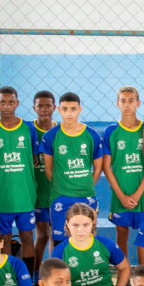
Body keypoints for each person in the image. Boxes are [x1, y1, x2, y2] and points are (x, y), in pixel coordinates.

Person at [0, 87, 39, 273]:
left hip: (24, 195)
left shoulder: (29, 128)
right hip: (1, 196)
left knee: (27, 237)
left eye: (11, 102)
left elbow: (34, 159)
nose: (7, 106)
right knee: (3, 239)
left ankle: (29, 277)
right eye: (2, 102)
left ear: (17, 103)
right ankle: (8, 277)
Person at [50, 203, 130, 286]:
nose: (80, 230)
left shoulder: (105, 244)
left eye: (85, 225)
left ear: (93, 223)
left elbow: (125, 268)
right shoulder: (60, 251)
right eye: (75, 225)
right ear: (67, 224)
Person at [41, 92, 103, 246]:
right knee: (59, 241)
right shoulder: (50, 136)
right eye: (65, 109)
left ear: (80, 110)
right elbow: (49, 169)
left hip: (86, 195)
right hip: (60, 196)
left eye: (73, 109)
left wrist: (86, 185)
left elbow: (98, 167)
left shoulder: (92, 135)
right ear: (59, 110)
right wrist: (62, 187)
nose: (69, 113)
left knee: (87, 239)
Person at [103, 86, 144, 263]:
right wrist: (121, 196)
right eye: (123, 101)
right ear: (117, 104)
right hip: (120, 193)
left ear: (138, 103)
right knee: (122, 235)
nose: (127, 104)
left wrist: (138, 193)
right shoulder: (111, 131)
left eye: (131, 100)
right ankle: (123, 277)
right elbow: (106, 167)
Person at [32, 91, 57, 266]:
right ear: (34, 107)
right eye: (40, 105)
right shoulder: (28, 130)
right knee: (42, 236)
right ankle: (35, 273)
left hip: (57, 192)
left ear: (54, 107)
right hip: (37, 193)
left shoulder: (61, 130)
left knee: (56, 235)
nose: (44, 109)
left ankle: (53, 271)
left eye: (48, 105)